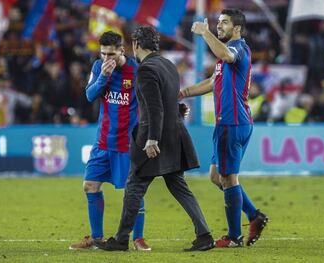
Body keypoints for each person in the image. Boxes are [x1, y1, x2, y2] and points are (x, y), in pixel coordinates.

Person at [94, 26, 215, 252]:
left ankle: (121, 240)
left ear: (137, 45)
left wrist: (151, 139)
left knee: (134, 186)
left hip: (155, 137)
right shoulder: (168, 64)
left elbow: (154, 107)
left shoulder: (145, 70)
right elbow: (167, 100)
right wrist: (178, 110)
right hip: (175, 134)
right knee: (179, 186)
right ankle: (204, 235)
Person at [179, 9, 268, 247]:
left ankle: (234, 236)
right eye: (217, 23)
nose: (219, 26)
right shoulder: (226, 55)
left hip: (233, 122)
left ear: (237, 28)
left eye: (224, 23)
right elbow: (212, 81)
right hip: (226, 123)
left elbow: (226, 55)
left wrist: (205, 32)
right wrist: (184, 93)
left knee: (228, 178)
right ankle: (253, 215)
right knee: (217, 176)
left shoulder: (238, 48)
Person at [69, 31, 151, 251]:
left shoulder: (136, 70)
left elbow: (151, 99)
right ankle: (96, 239)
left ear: (122, 51)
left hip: (127, 144)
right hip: (103, 141)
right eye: (103, 53)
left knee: (132, 191)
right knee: (89, 185)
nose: (107, 58)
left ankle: (139, 238)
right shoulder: (98, 68)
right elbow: (89, 95)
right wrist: (104, 77)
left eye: (111, 54)